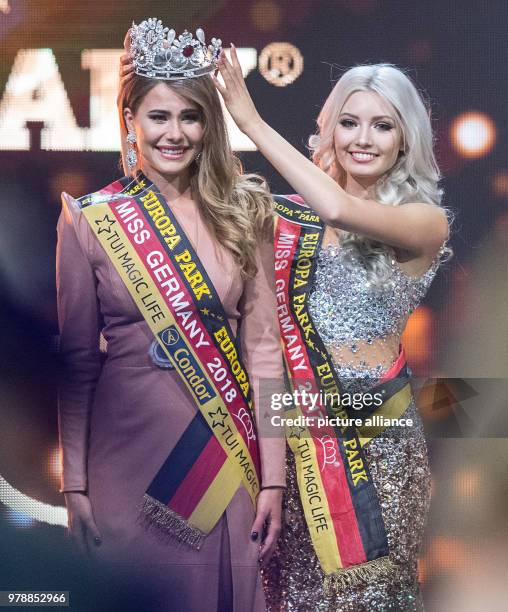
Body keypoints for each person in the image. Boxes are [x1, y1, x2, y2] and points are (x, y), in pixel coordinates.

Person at [57, 20, 285, 612]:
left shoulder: (246, 214)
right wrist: (74, 486)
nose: (175, 133)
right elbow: (77, 364)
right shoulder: (89, 220)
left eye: (191, 116)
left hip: (221, 457)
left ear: (210, 125)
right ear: (131, 119)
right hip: (121, 460)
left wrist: (275, 479)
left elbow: (264, 354)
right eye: (159, 116)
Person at [213, 48, 450, 610]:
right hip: (294, 448)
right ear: (329, 129)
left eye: (382, 125)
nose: (363, 138)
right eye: (349, 122)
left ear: (404, 139)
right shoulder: (287, 219)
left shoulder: (423, 221)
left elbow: (339, 209)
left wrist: (250, 122)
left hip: (379, 450)